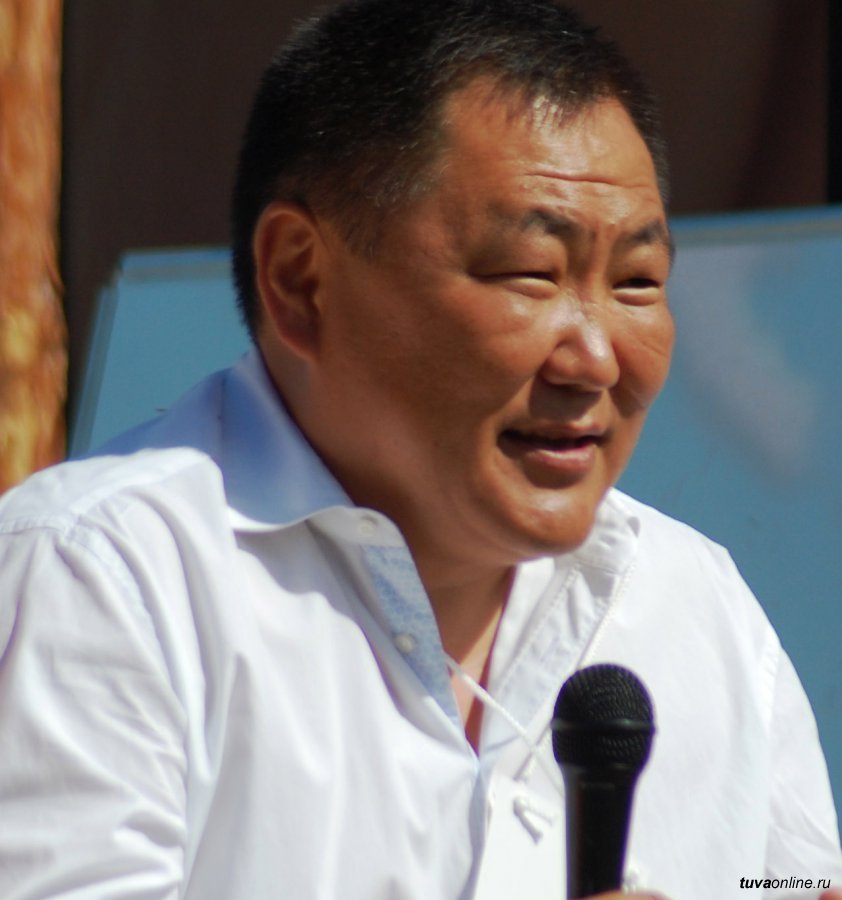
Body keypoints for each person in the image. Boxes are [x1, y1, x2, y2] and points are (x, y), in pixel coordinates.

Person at [0, 0, 840, 897]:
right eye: (531, 274)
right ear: (301, 280)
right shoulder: (102, 579)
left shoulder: (698, 607)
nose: (596, 358)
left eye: (638, 282)